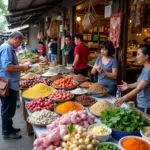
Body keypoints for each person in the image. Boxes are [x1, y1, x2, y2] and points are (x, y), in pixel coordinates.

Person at [0, 31, 31, 139]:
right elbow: (7, 66)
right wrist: (23, 67)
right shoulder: (7, 48)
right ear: (15, 38)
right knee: (7, 108)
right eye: (19, 42)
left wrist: (20, 64)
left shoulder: (8, 47)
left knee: (9, 108)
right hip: (8, 84)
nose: (19, 45)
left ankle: (10, 127)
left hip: (9, 83)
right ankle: (6, 132)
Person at [114, 44, 150, 115]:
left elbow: (139, 88)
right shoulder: (145, 68)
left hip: (146, 105)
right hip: (141, 102)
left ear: (146, 56)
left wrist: (124, 98)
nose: (136, 57)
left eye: (138, 54)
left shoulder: (149, 70)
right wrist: (128, 86)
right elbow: (140, 83)